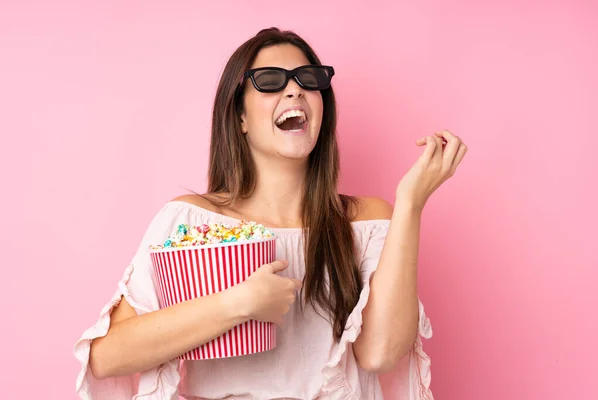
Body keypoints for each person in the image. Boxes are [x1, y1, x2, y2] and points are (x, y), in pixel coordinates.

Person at [74, 27, 467, 400]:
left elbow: (381, 353)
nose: (295, 89)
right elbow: (107, 357)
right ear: (240, 117)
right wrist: (238, 303)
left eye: (308, 79)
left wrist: (411, 204)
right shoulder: (194, 223)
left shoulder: (365, 222)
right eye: (271, 80)